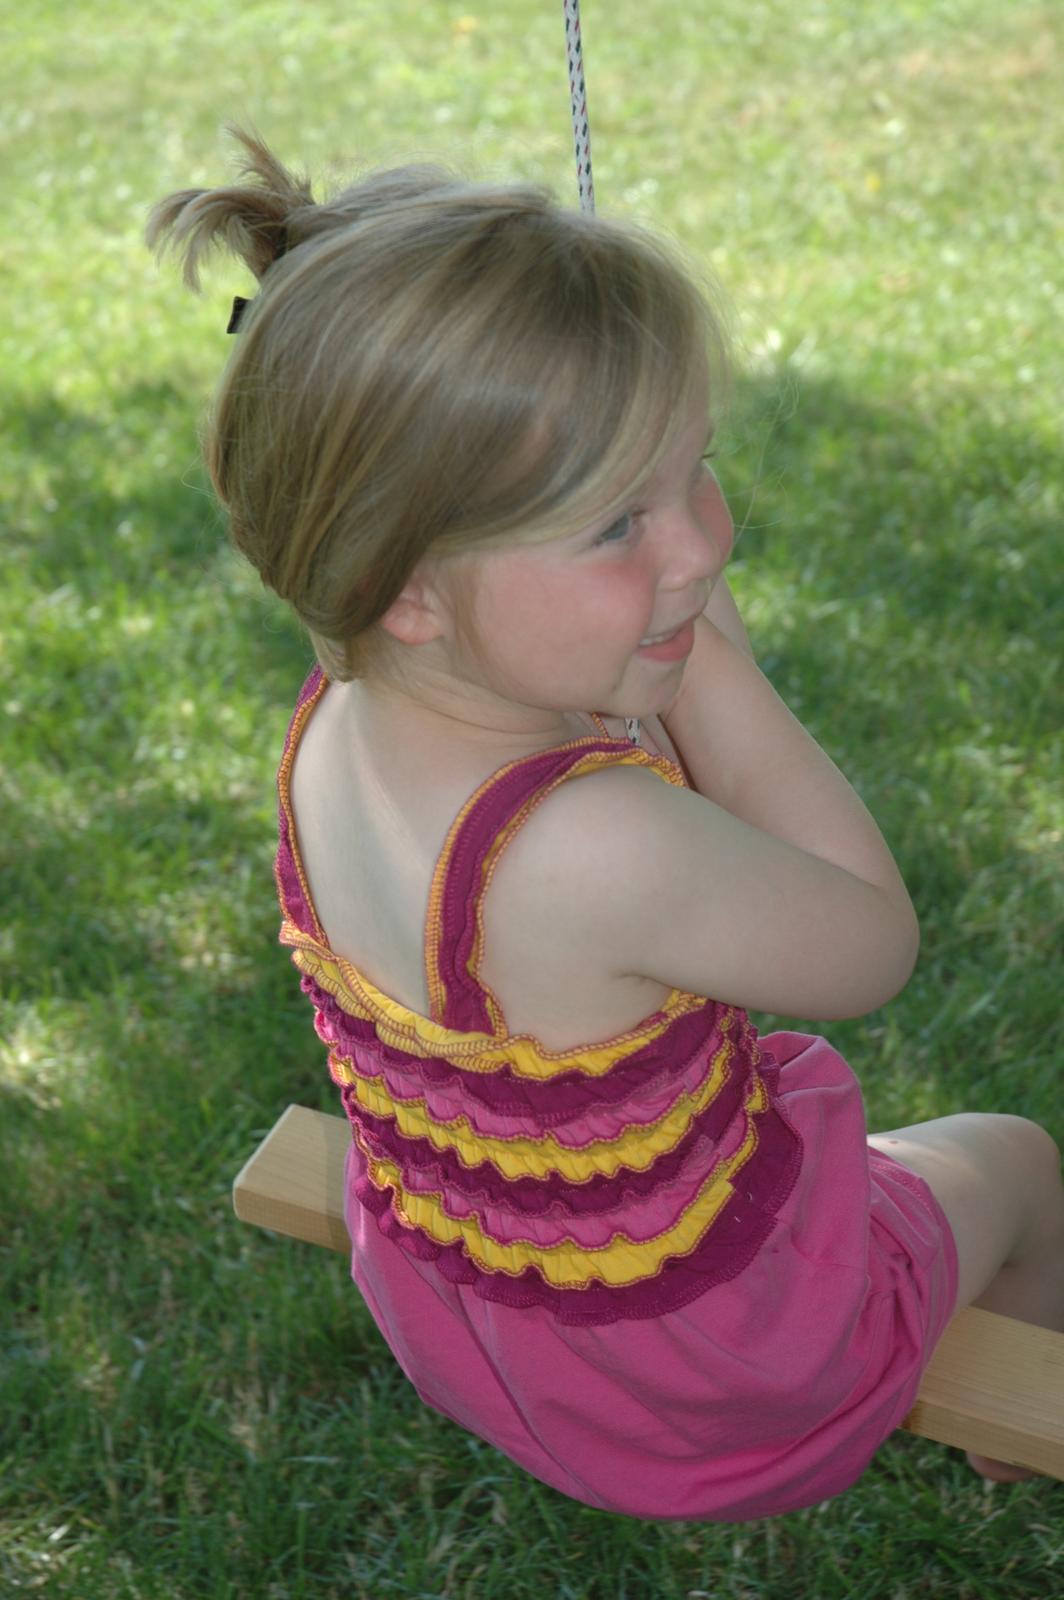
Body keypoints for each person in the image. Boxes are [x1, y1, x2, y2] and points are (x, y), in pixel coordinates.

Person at [149, 127, 1064, 1521]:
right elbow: (872, 941)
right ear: (409, 586)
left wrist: (637, 616)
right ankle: (1021, 1430)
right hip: (710, 1382)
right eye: (617, 524)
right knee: (1021, 1158)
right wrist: (718, 673)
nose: (702, 546)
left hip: (473, 1318)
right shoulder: (594, 845)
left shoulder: (341, 721)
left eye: (695, 471)